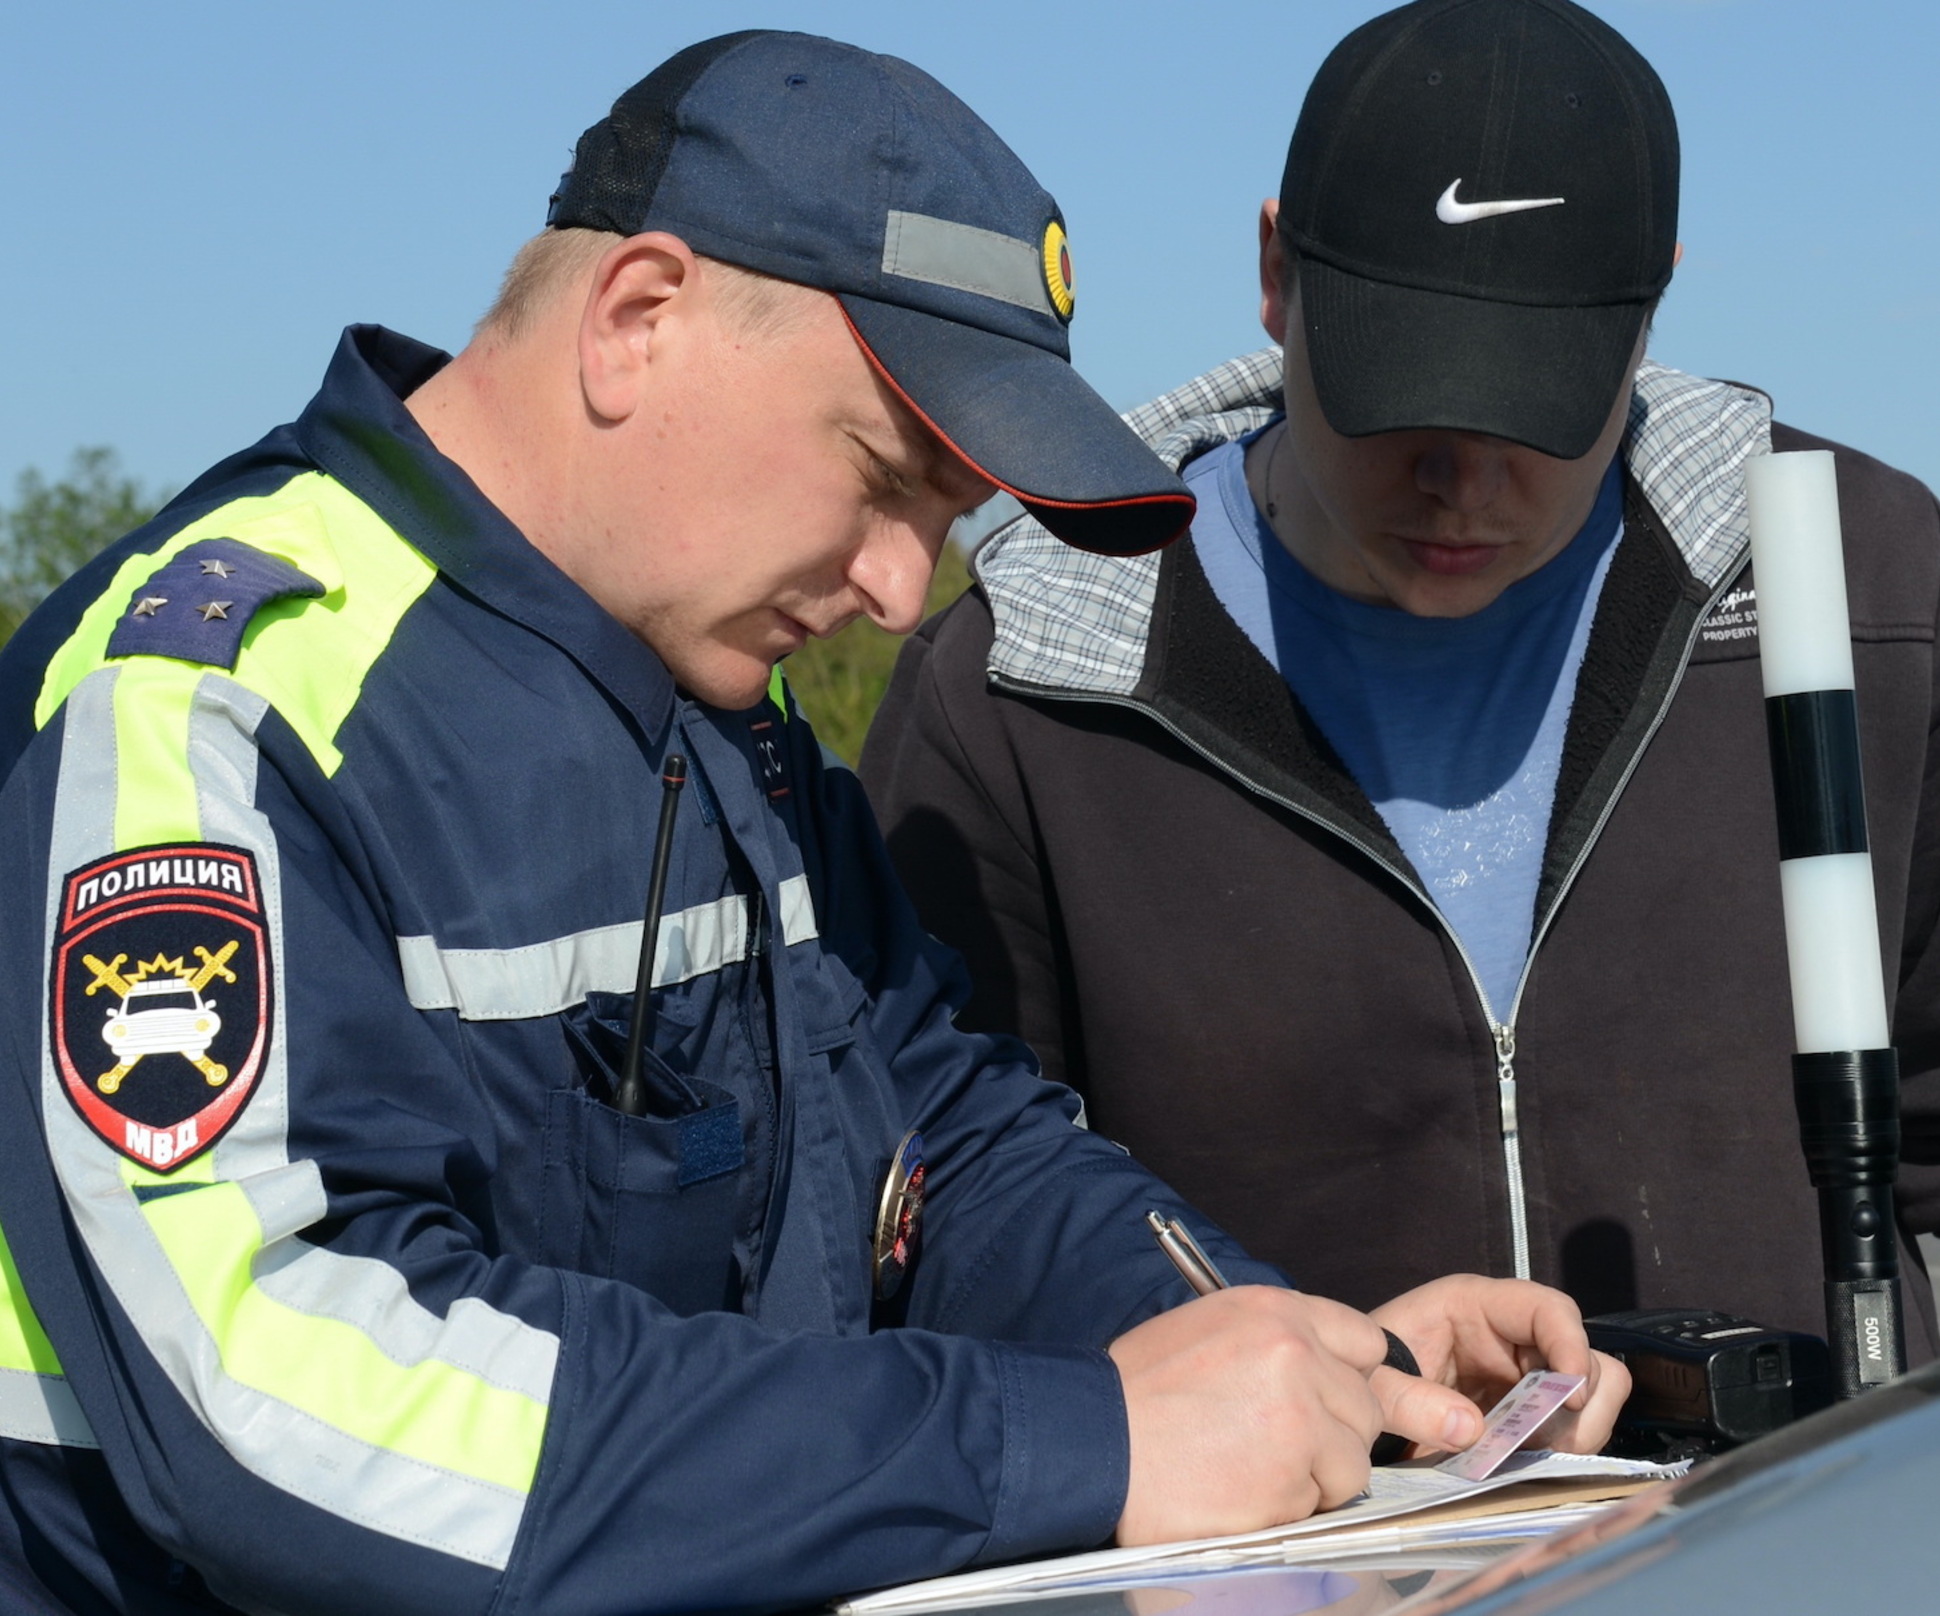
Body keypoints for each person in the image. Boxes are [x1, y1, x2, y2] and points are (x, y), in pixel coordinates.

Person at [0, 31, 1625, 1616]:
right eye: (879, 475)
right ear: (639, 318)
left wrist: (1299, 1359)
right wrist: (1074, 1443)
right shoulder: (207, 711)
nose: (903, 590)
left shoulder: (715, 706)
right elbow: (276, 1394)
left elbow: (947, 1139)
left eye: (943, 519)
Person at [862, 0, 1940, 1359]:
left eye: (1534, 411)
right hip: (1284, 1567)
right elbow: (938, 1224)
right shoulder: (1019, 695)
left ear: (1648, 304)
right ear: (1276, 273)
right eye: (1401, 399)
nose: (1462, 483)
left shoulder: (1870, 595)